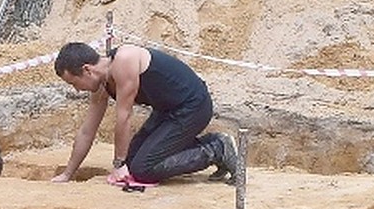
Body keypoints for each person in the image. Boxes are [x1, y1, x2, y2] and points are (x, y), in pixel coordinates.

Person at [52, 41, 240, 186]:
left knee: (143, 169)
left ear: (87, 70)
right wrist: (68, 174)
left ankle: (216, 149)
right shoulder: (101, 84)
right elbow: (87, 131)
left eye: (74, 83)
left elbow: (124, 117)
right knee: (133, 161)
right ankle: (206, 146)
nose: (76, 90)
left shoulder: (124, 61)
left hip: (192, 107)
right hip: (167, 111)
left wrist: (118, 164)